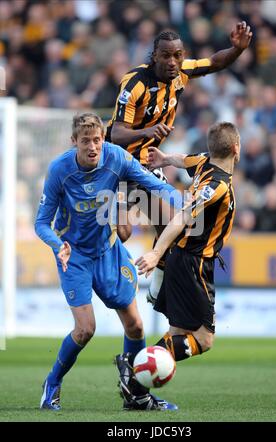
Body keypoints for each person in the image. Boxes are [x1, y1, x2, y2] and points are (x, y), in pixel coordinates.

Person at [35, 112, 182, 411]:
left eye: (97, 140)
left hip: (108, 251)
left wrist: (186, 201)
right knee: (85, 329)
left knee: (136, 327)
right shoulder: (59, 170)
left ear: (103, 140)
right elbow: (41, 223)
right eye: (86, 141)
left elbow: (150, 184)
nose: (93, 147)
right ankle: (52, 382)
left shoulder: (116, 158)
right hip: (72, 254)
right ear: (73, 142)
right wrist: (56, 244)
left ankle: (138, 395)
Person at [106, 22, 252, 305]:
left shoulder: (183, 71)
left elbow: (215, 63)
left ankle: (155, 291)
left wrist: (237, 49)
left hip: (146, 167)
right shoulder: (134, 83)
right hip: (119, 165)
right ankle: (97, 260)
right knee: (123, 232)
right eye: (166, 56)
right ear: (154, 55)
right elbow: (116, 133)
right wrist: (146, 132)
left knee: (173, 226)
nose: (173, 62)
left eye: (178, 55)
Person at [135, 122, 239, 372]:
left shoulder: (204, 162)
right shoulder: (217, 187)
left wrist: (163, 159)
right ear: (237, 148)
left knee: (177, 332)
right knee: (204, 339)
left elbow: (183, 160)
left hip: (184, 259)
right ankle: (134, 365)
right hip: (194, 264)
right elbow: (181, 218)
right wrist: (156, 253)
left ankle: (136, 386)